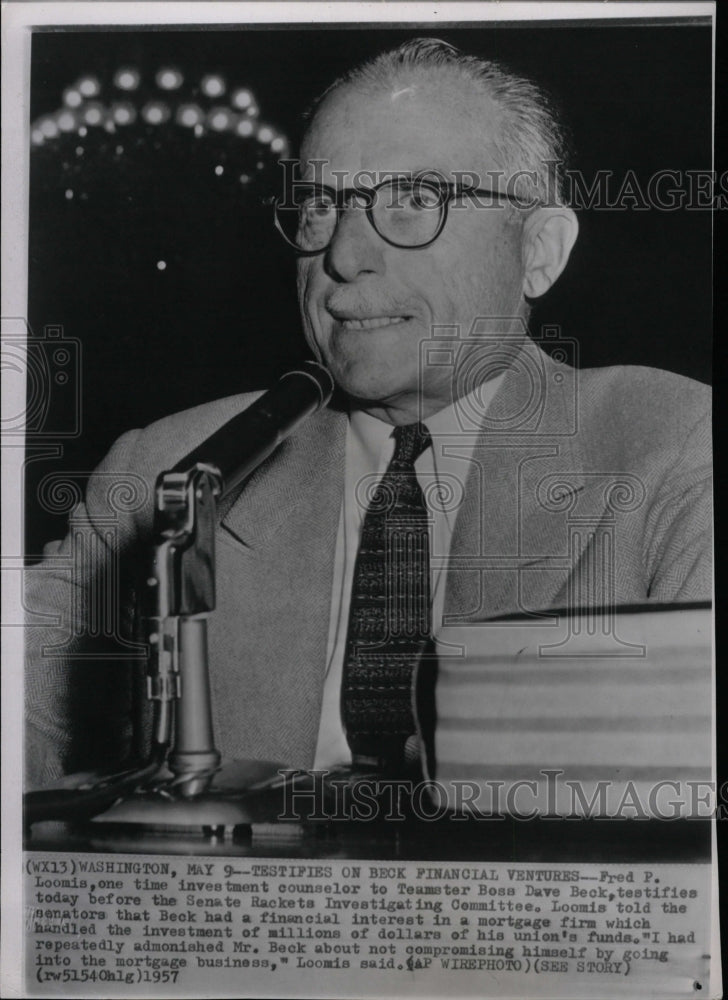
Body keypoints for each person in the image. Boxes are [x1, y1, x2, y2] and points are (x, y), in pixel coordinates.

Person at [25, 38, 711, 789]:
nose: (346, 256)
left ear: (540, 249)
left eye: (416, 200)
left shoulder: (677, 445)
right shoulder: (171, 468)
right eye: (322, 205)